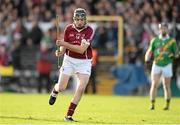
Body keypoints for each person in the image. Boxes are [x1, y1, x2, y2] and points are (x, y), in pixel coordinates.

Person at [48, 8, 94, 121]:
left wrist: (64, 43)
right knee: (62, 87)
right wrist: (60, 51)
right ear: (74, 19)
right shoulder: (68, 28)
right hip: (69, 60)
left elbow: (81, 50)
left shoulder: (89, 30)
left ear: (85, 20)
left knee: (81, 87)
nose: (79, 22)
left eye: (82, 19)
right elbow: (64, 47)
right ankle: (55, 90)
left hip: (84, 62)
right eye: (77, 19)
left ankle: (68, 115)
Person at [145, 22, 179, 110]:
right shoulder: (155, 40)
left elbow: (177, 53)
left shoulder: (172, 41)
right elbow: (149, 51)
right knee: (154, 83)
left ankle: (167, 104)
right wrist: (147, 59)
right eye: (161, 28)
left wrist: (174, 56)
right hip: (156, 64)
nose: (163, 30)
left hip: (167, 64)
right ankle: (152, 104)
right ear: (159, 30)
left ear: (167, 29)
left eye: (164, 28)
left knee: (166, 85)